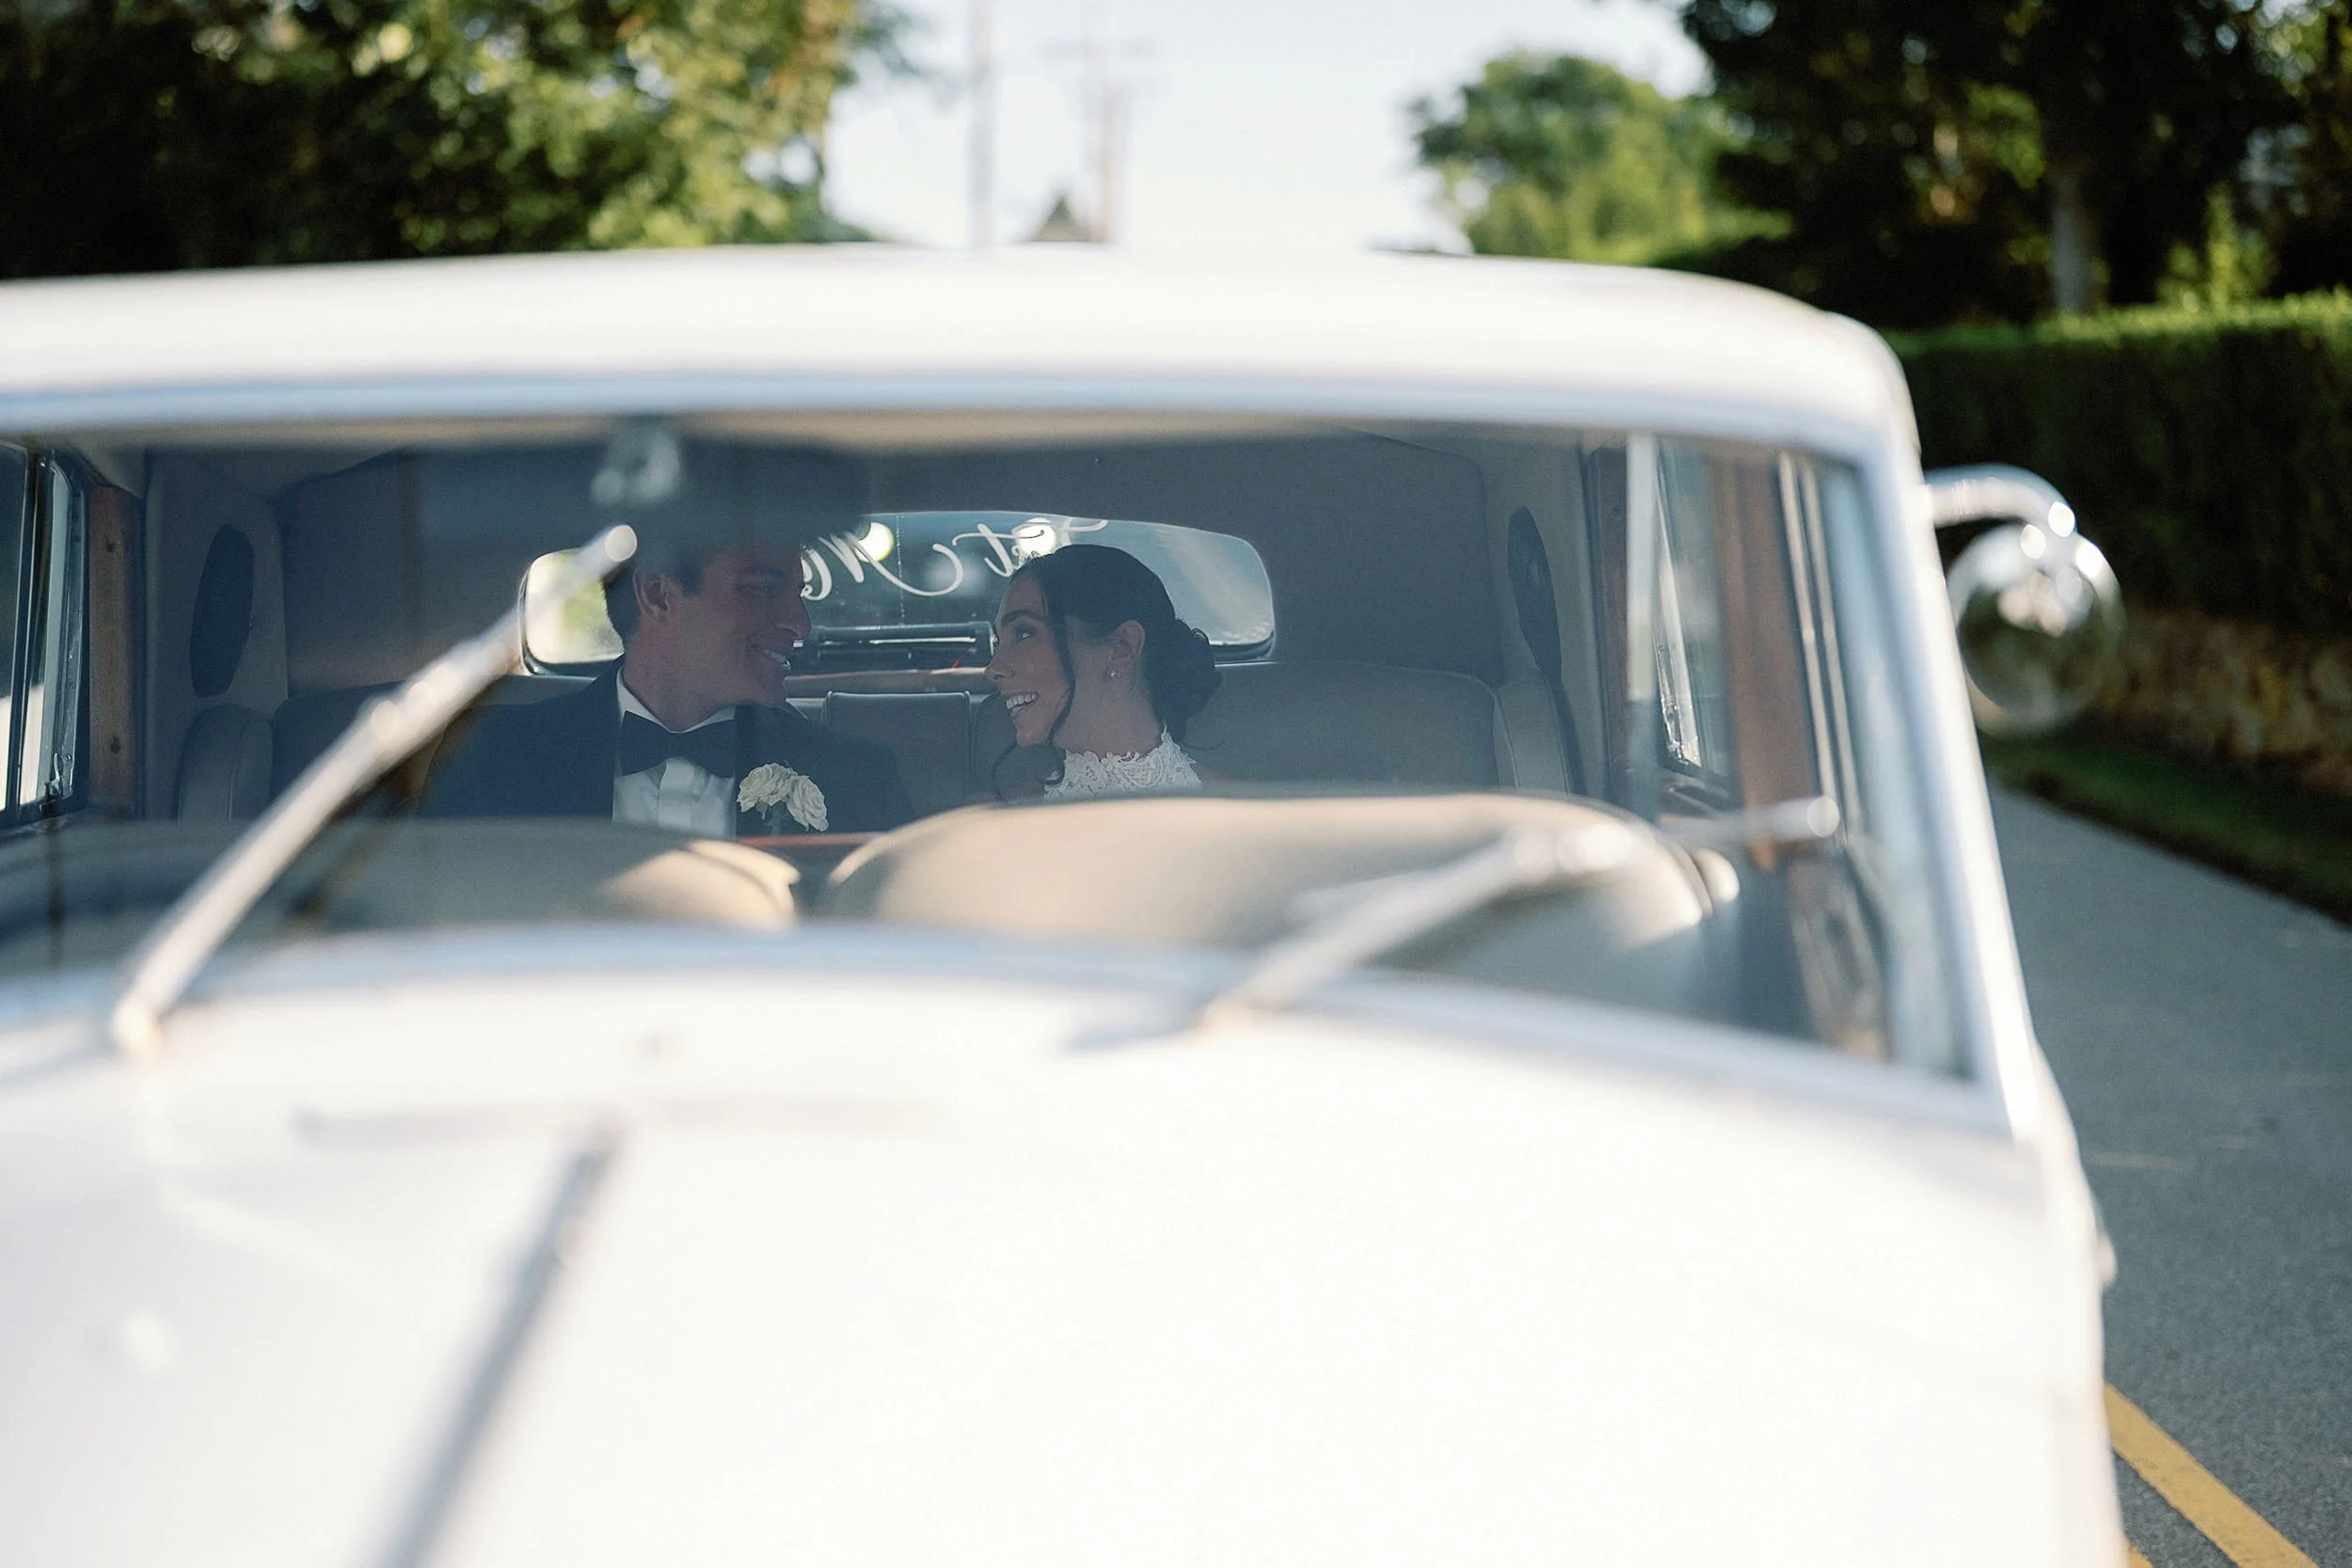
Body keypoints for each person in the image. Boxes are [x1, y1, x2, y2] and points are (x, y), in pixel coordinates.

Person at [423, 448, 913, 834]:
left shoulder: (859, 779)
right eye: (762, 589)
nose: (799, 624)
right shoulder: (488, 760)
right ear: (658, 595)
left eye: (797, 594)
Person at [986, 543, 1220, 800]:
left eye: (1023, 633)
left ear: (1122, 648)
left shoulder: (1236, 815)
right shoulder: (998, 824)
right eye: (997, 643)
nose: (993, 669)